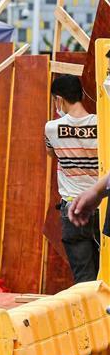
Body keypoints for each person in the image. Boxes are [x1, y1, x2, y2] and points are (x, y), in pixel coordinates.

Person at [48, 74, 100, 283]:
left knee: (84, 280)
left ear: (59, 99)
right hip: (103, 208)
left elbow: (51, 153)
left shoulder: (51, 128)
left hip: (73, 209)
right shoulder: (103, 125)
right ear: (81, 96)